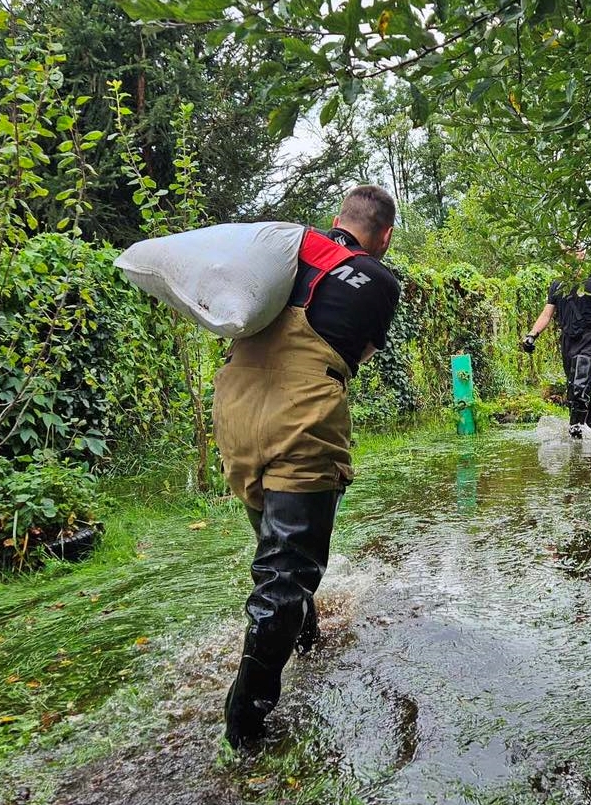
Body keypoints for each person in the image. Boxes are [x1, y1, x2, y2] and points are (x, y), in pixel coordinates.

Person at [212, 185, 400, 749]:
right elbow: (356, 354)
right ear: (384, 236)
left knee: (276, 557)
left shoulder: (283, 254)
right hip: (302, 417)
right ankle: (244, 724)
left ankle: (306, 639)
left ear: (336, 219)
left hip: (236, 411)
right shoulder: (381, 279)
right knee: (286, 573)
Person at [520, 248, 591, 439]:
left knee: (579, 387)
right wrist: (532, 335)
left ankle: (574, 436)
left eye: (579, 251)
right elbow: (547, 313)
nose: (575, 255)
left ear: (583, 256)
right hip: (568, 342)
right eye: (570, 251)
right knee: (578, 390)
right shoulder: (557, 284)